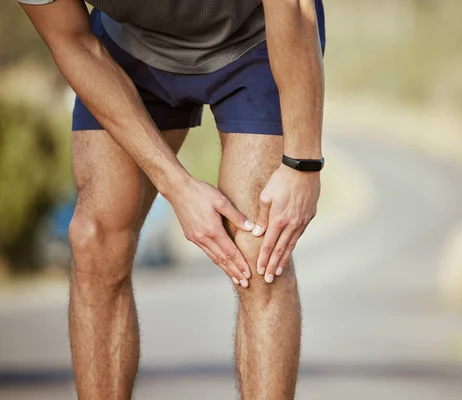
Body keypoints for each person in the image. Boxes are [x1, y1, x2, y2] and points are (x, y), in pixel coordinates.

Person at [18, 0, 326, 398]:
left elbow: (294, 8)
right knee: (95, 239)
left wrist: (303, 163)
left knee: (261, 247)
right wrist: (176, 185)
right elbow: (73, 43)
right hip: (130, 46)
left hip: (254, 36)